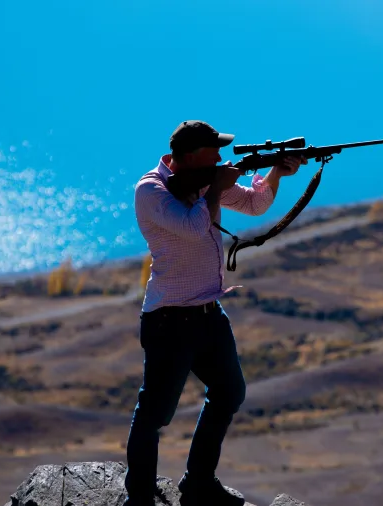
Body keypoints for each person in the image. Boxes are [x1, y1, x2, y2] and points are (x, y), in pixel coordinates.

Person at [123, 120, 305, 506]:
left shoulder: (206, 181)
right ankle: (138, 498)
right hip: (169, 319)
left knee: (229, 393)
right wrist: (216, 189)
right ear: (189, 158)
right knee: (155, 413)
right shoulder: (151, 190)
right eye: (213, 153)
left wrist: (276, 173)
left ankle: (198, 483)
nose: (221, 158)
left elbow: (255, 205)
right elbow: (191, 227)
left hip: (208, 312)